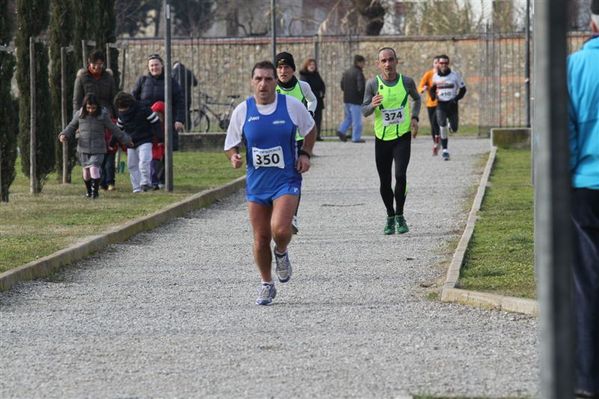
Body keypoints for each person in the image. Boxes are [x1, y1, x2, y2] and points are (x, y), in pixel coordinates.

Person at [224, 60, 316, 306]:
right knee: (261, 238)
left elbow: (310, 128)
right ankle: (266, 283)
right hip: (257, 184)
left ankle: (282, 252)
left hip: (286, 179)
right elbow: (230, 143)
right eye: (259, 79)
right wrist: (233, 155)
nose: (263, 84)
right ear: (252, 82)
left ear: (276, 81)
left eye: (268, 79)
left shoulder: (291, 106)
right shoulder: (243, 110)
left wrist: (305, 154)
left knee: (281, 230)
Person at [567, 2, 599, 397]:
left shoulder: (574, 67)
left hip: (585, 187)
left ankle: (589, 378)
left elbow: (565, 136)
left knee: (587, 282)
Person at [361, 47, 421, 235]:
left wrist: (415, 118)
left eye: (391, 59)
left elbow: (417, 99)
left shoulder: (406, 82)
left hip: (402, 137)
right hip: (382, 139)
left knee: (401, 176)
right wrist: (373, 105)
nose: (388, 64)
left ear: (396, 61)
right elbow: (363, 110)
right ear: (378, 64)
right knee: (385, 182)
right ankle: (390, 216)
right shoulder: (372, 84)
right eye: (384, 61)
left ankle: (400, 216)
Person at [275, 51, 317, 234]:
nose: (283, 71)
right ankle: (277, 214)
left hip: (297, 139)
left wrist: (309, 113)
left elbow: (312, 100)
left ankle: (292, 216)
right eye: (279, 67)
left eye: (286, 67)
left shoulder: (303, 86)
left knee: (294, 177)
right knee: (276, 177)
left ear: (293, 69)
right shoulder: (272, 89)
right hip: (277, 139)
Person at [59, 94, 132, 199]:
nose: (91, 110)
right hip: (83, 148)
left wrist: (126, 140)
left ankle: (95, 193)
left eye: (93, 108)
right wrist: (64, 134)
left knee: (94, 168)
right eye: (88, 108)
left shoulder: (103, 115)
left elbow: (114, 128)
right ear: (85, 106)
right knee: (86, 172)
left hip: (98, 147)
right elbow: (71, 126)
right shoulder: (79, 114)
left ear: (97, 106)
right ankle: (89, 191)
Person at [72, 50, 119, 191]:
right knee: (93, 148)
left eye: (100, 64)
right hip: (88, 117)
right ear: (89, 63)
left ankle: (108, 180)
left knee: (108, 148)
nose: (97, 67)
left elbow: (113, 97)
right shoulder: (82, 78)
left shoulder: (108, 78)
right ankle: (97, 180)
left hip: (105, 115)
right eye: (94, 64)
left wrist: (116, 117)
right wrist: (78, 120)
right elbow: (77, 100)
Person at [131, 53, 185, 151]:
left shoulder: (171, 82)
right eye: (151, 65)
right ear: (148, 67)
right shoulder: (143, 81)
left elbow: (180, 101)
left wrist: (179, 120)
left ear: (162, 65)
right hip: (146, 122)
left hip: (166, 122)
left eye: (156, 65)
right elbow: (133, 100)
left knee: (164, 150)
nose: (154, 67)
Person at [114, 92, 162, 193]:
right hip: (130, 143)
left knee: (144, 161)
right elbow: (118, 130)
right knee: (132, 165)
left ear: (129, 105)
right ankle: (136, 188)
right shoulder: (122, 115)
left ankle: (145, 182)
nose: (121, 111)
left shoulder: (144, 109)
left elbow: (155, 122)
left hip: (145, 139)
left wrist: (160, 139)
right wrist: (112, 143)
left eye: (123, 108)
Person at [430, 54, 466, 161]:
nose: (444, 65)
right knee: (442, 125)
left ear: (448, 63)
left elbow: (463, 90)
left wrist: (455, 99)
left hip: (452, 104)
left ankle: (451, 125)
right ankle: (445, 150)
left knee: (454, 128)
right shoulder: (435, 76)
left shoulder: (455, 75)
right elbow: (432, 89)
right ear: (439, 64)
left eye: (446, 63)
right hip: (441, 104)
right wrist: (433, 96)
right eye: (441, 63)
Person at [338, 54, 366, 143]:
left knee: (349, 118)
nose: (364, 65)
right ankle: (356, 138)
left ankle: (341, 130)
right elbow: (361, 87)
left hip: (347, 99)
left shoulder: (346, 72)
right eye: (363, 63)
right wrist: (362, 96)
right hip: (356, 100)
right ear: (359, 62)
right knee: (357, 120)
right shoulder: (358, 73)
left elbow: (342, 85)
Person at [418, 55, 441, 156]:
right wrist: (423, 89)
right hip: (430, 103)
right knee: (433, 124)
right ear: (433, 64)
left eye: (439, 63)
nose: (437, 65)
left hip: (441, 103)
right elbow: (420, 86)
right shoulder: (429, 74)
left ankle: (440, 139)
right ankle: (436, 142)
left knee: (438, 121)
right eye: (435, 63)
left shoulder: (443, 75)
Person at [299, 57, 326, 141]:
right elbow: (307, 89)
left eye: (313, 65)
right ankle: (308, 136)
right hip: (308, 102)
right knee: (310, 119)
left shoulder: (316, 75)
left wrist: (322, 92)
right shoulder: (304, 76)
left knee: (318, 119)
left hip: (318, 101)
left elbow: (322, 85)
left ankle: (317, 135)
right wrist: (318, 93)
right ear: (306, 66)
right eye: (310, 65)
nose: (312, 66)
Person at [172, 61, 198, 129]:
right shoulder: (188, 72)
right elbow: (195, 83)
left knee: (176, 111)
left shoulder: (172, 72)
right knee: (187, 112)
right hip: (187, 96)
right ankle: (188, 128)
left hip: (175, 96)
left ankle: (176, 128)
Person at [150, 101, 166, 190]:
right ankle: (154, 181)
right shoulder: (151, 123)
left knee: (161, 165)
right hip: (154, 148)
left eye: (159, 114)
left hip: (161, 147)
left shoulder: (165, 124)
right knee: (154, 165)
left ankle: (160, 180)